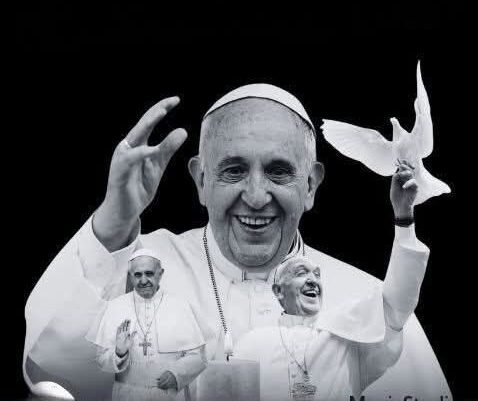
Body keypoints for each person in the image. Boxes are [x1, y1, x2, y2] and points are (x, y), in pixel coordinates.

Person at [24, 84, 452, 400]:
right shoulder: (142, 268)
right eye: (233, 170)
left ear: (310, 186)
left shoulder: (365, 299)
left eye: (279, 172)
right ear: (200, 180)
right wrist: (113, 225)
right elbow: (54, 372)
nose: (256, 195)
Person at [233, 163, 430, 400]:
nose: (312, 281)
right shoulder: (253, 343)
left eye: (317, 275)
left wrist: (404, 218)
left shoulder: (346, 339)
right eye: (301, 273)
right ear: (278, 290)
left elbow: (397, 303)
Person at [89, 248, 207, 401]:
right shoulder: (115, 307)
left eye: (149, 273)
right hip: (127, 395)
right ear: (130, 276)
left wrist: (176, 374)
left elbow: (199, 357)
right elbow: (101, 360)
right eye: (137, 275)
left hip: (169, 395)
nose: (143, 281)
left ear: (160, 273)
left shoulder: (180, 306)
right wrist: (119, 353)